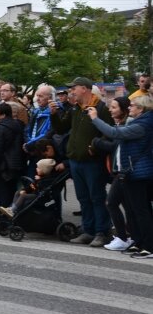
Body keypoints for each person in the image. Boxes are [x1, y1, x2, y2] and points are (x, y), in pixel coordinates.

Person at [49, 76, 114, 247]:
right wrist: (54, 115)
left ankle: (102, 232)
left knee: (97, 197)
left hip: (92, 162)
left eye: (74, 88)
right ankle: (88, 230)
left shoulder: (100, 108)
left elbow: (108, 132)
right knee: (83, 198)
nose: (71, 92)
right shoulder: (75, 108)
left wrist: (95, 147)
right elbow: (61, 128)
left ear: (84, 89)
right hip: (76, 160)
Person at [88, 95, 153, 258]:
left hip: (138, 172)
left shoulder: (142, 125)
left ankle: (149, 246)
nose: (129, 108)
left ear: (141, 109)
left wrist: (95, 119)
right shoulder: (138, 122)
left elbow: (114, 133)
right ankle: (138, 241)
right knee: (133, 209)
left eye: (132, 106)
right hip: (131, 171)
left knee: (141, 210)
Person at [91, 96, 132, 251]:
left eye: (114, 107)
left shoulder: (127, 124)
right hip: (118, 171)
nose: (110, 110)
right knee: (126, 205)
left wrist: (97, 142)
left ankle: (124, 237)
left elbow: (114, 144)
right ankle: (129, 236)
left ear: (124, 109)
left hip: (124, 171)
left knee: (112, 203)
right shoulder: (119, 123)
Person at [0, 103, 26, 208]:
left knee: (3, 197)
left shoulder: (0, 129)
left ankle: (5, 221)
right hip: (16, 165)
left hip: (3, 168)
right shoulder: (18, 125)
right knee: (11, 194)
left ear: (3, 114)